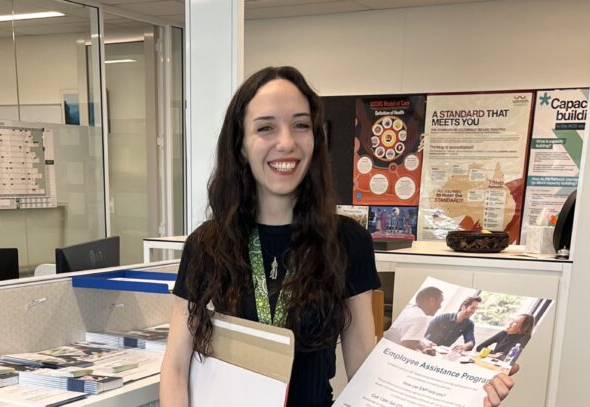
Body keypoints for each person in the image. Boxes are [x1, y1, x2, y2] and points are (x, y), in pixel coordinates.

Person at [160, 66, 515, 407]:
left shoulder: (347, 241)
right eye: (266, 128)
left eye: (300, 125)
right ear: (240, 144)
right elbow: (176, 366)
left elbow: (364, 367)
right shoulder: (208, 244)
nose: (286, 142)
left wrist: (460, 391)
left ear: (315, 139)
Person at [384, 286, 443, 354]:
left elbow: (406, 338)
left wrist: (422, 347)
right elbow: (407, 350)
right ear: (432, 301)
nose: (440, 306)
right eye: (440, 302)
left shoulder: (408, 310)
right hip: (392, 353)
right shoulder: (421, 318)